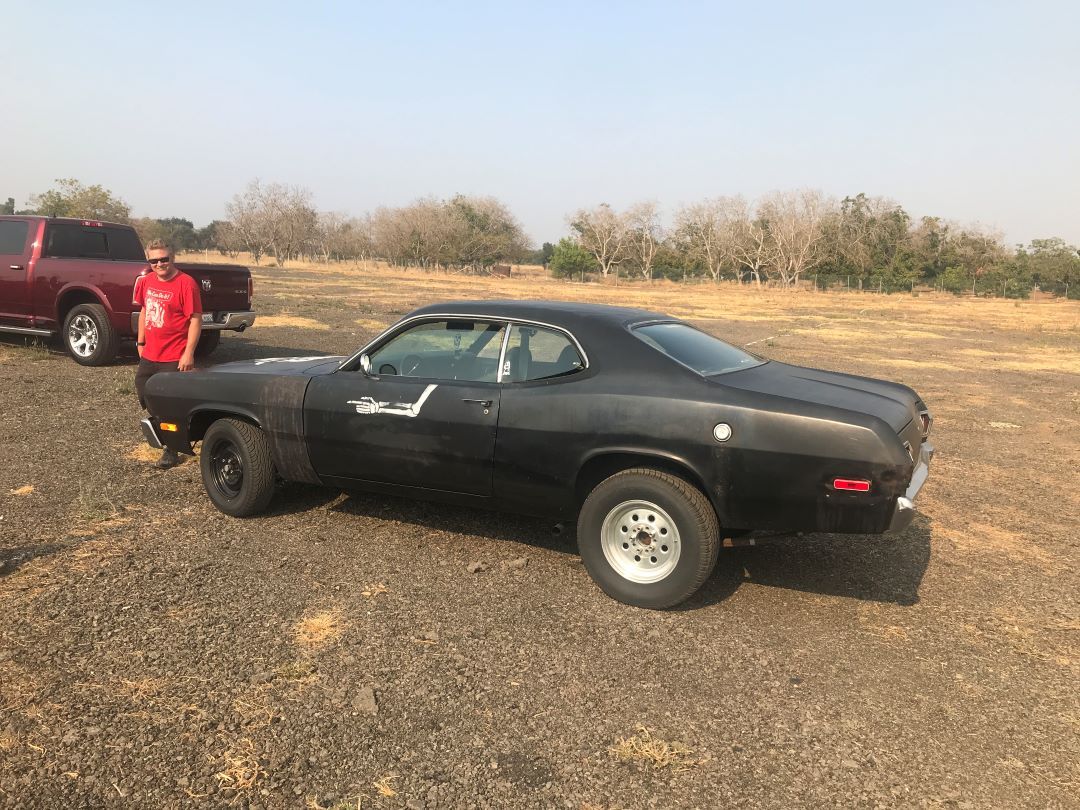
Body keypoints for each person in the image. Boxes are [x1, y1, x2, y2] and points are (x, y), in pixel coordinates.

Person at [134, 239, 202, 468]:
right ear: (149, 262)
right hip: (150, 354)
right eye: (154, 260)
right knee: (144, 392)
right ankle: (163, 430)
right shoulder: (146, 281)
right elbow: (144, 310)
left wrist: (188, 353)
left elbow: (195, 319)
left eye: (164, 259)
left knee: (170, 404)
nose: (160, 264)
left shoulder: (186, 283)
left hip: (174, 355)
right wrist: (140, 341)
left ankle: (171, 450)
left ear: (172, 257)